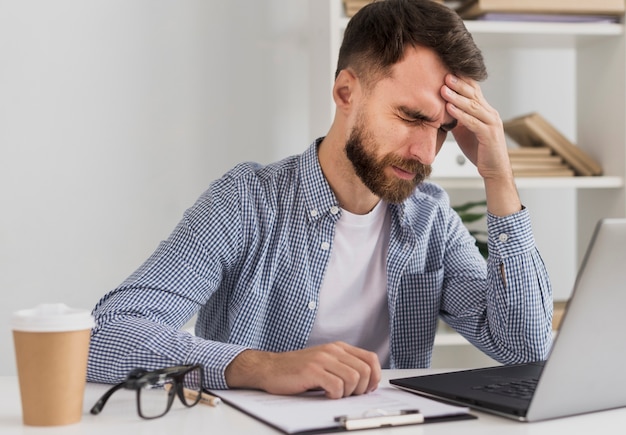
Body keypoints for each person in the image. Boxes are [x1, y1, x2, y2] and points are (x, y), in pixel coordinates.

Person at [87, 0, 553, 400]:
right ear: (346, 92)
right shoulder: (248, 201)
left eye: (444, 129)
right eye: (411, 117)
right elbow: (107, 335)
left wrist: (498, 175)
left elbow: (526, 348)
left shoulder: (431, 220)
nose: (425, 153)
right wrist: (262, 367)